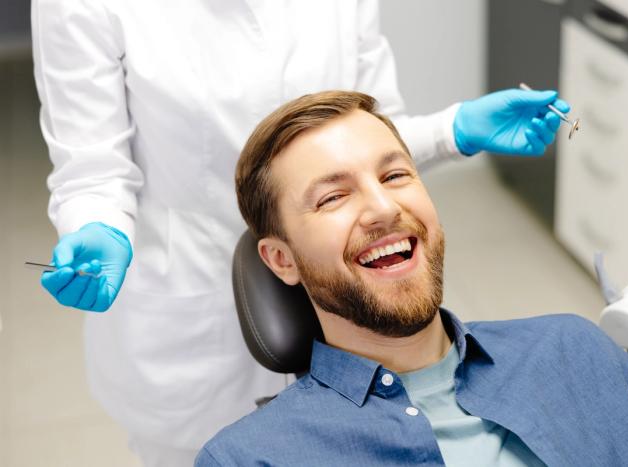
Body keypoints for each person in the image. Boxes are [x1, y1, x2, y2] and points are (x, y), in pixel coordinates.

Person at [31, 0, 568, 464]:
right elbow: (93, 166)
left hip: (337, 302)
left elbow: (364, 134)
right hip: (191, 315)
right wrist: (98, 226)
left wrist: (452, 130)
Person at [196, 90, 628, 466]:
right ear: (281, 259)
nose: (383, 207)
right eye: (333, 197)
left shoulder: (573, 347)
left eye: (395, 176)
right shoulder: (248, 459)